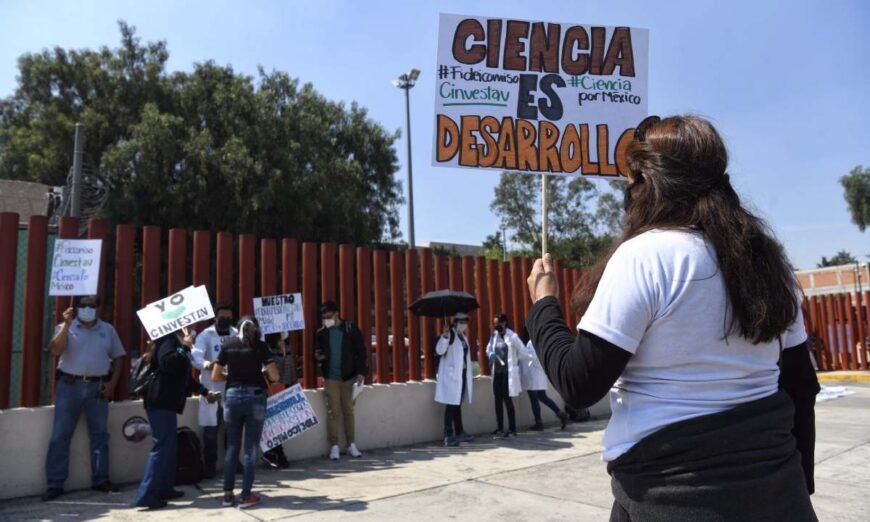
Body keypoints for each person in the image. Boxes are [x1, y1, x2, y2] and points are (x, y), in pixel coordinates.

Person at [525, 115, 820, 521]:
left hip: (673, 496)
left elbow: (578, 382)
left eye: (633, 179)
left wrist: (543, 305)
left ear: (650, 183)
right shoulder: (768, 261)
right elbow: (801, 384)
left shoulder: (646, 255)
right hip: (778, 492)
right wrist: (798, 485)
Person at [43, 295, 126, 501]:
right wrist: (66, 325)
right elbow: (54, 350)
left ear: (98, 308)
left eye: (91, 305)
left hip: (97, 388)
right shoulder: (65, 326)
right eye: (83, 305)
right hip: (69, 386)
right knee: (61, 435)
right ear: (77, 307)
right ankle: (55, 483)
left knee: (100, 435)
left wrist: (113, 384)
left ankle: (101, 479)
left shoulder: (107, 330)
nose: (87, 308)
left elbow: (119, 358)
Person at [134, 329, 216, 509]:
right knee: (162, 447)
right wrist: (185, 348)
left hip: (167, 402)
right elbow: (168, 363)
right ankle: (147, 494)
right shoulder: (168, 340)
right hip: (160, 400)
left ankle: (164, 487)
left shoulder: (175, 343)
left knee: (168, 447)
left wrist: (204, 392)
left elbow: (183, 376)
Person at [212, 317, 279, 509]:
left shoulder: (228, 344)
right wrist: (261, 374)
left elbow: (216, 376)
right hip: (256, 397)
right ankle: (246, 496)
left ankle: (227, 495)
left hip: (232, 397)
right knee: (250, 448)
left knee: (231, 447)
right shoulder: (261, 346)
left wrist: (231, 376)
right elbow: (275, 376)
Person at [191, 301, 239, 478]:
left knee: (232, 428)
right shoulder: (205, 335)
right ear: (215, 317)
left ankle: (233, 462)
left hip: (232, 387)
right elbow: (195, 356)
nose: (225, 320)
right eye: (222, 317)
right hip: (211, 388)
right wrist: (207, 364)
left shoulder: (236, 334)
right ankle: (209, 465)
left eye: (228, 317)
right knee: (211, 429)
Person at [315, 301, 367, 460]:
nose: (326, 320)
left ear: (336, 313)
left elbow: (361, 351)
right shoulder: (321, 333)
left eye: (328, 316)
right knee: (332, 413)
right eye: (323, 318)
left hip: (349, 377)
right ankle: (334, 446)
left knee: (349, 412)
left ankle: (351, 444)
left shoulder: (350, 328)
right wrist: (318, 357)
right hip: (331, 378)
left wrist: (361, 372)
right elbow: (317, 353)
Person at [434, 312, 475, 446]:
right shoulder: (450, 334)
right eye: (462, 322)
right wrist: (445, 336)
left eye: (466, 322)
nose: (464, 325)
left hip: (461, 374)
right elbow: (439, 350)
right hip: (451, 376)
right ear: (456, 322)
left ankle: (460, 432)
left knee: (457, 404)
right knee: (451, 405)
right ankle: (447, 435)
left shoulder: (462, 337)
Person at [485, 313, 524, 438]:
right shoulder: (494, 335)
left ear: (504, 323)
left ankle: (512, 429)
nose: (496, 326)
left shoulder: (512, 336)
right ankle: (500, 427)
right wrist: (490, 353)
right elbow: (488, 349)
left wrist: (515, 361)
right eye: (495, 324)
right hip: (497, 373)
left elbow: (522, 351)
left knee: (508, 400)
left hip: (508, 373)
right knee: (498, 400)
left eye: (498, 324)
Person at [262, 331, 296, 469]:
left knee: (278, 423)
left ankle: (277, 454)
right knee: (271, 423)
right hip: (269, 388)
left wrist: (292, 385)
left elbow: (290, 367)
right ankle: (276, 454)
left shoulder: (286, 347)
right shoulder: (265, 348)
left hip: (283, 388)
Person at [521, 340, 568, 431]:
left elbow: (532, 357)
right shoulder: (542, 341)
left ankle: (539, 423)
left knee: (534, 399)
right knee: (542, 397)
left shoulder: (532, 342)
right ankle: (560, 414)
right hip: (540, 373)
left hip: (534, 374)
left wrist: (522, 354)